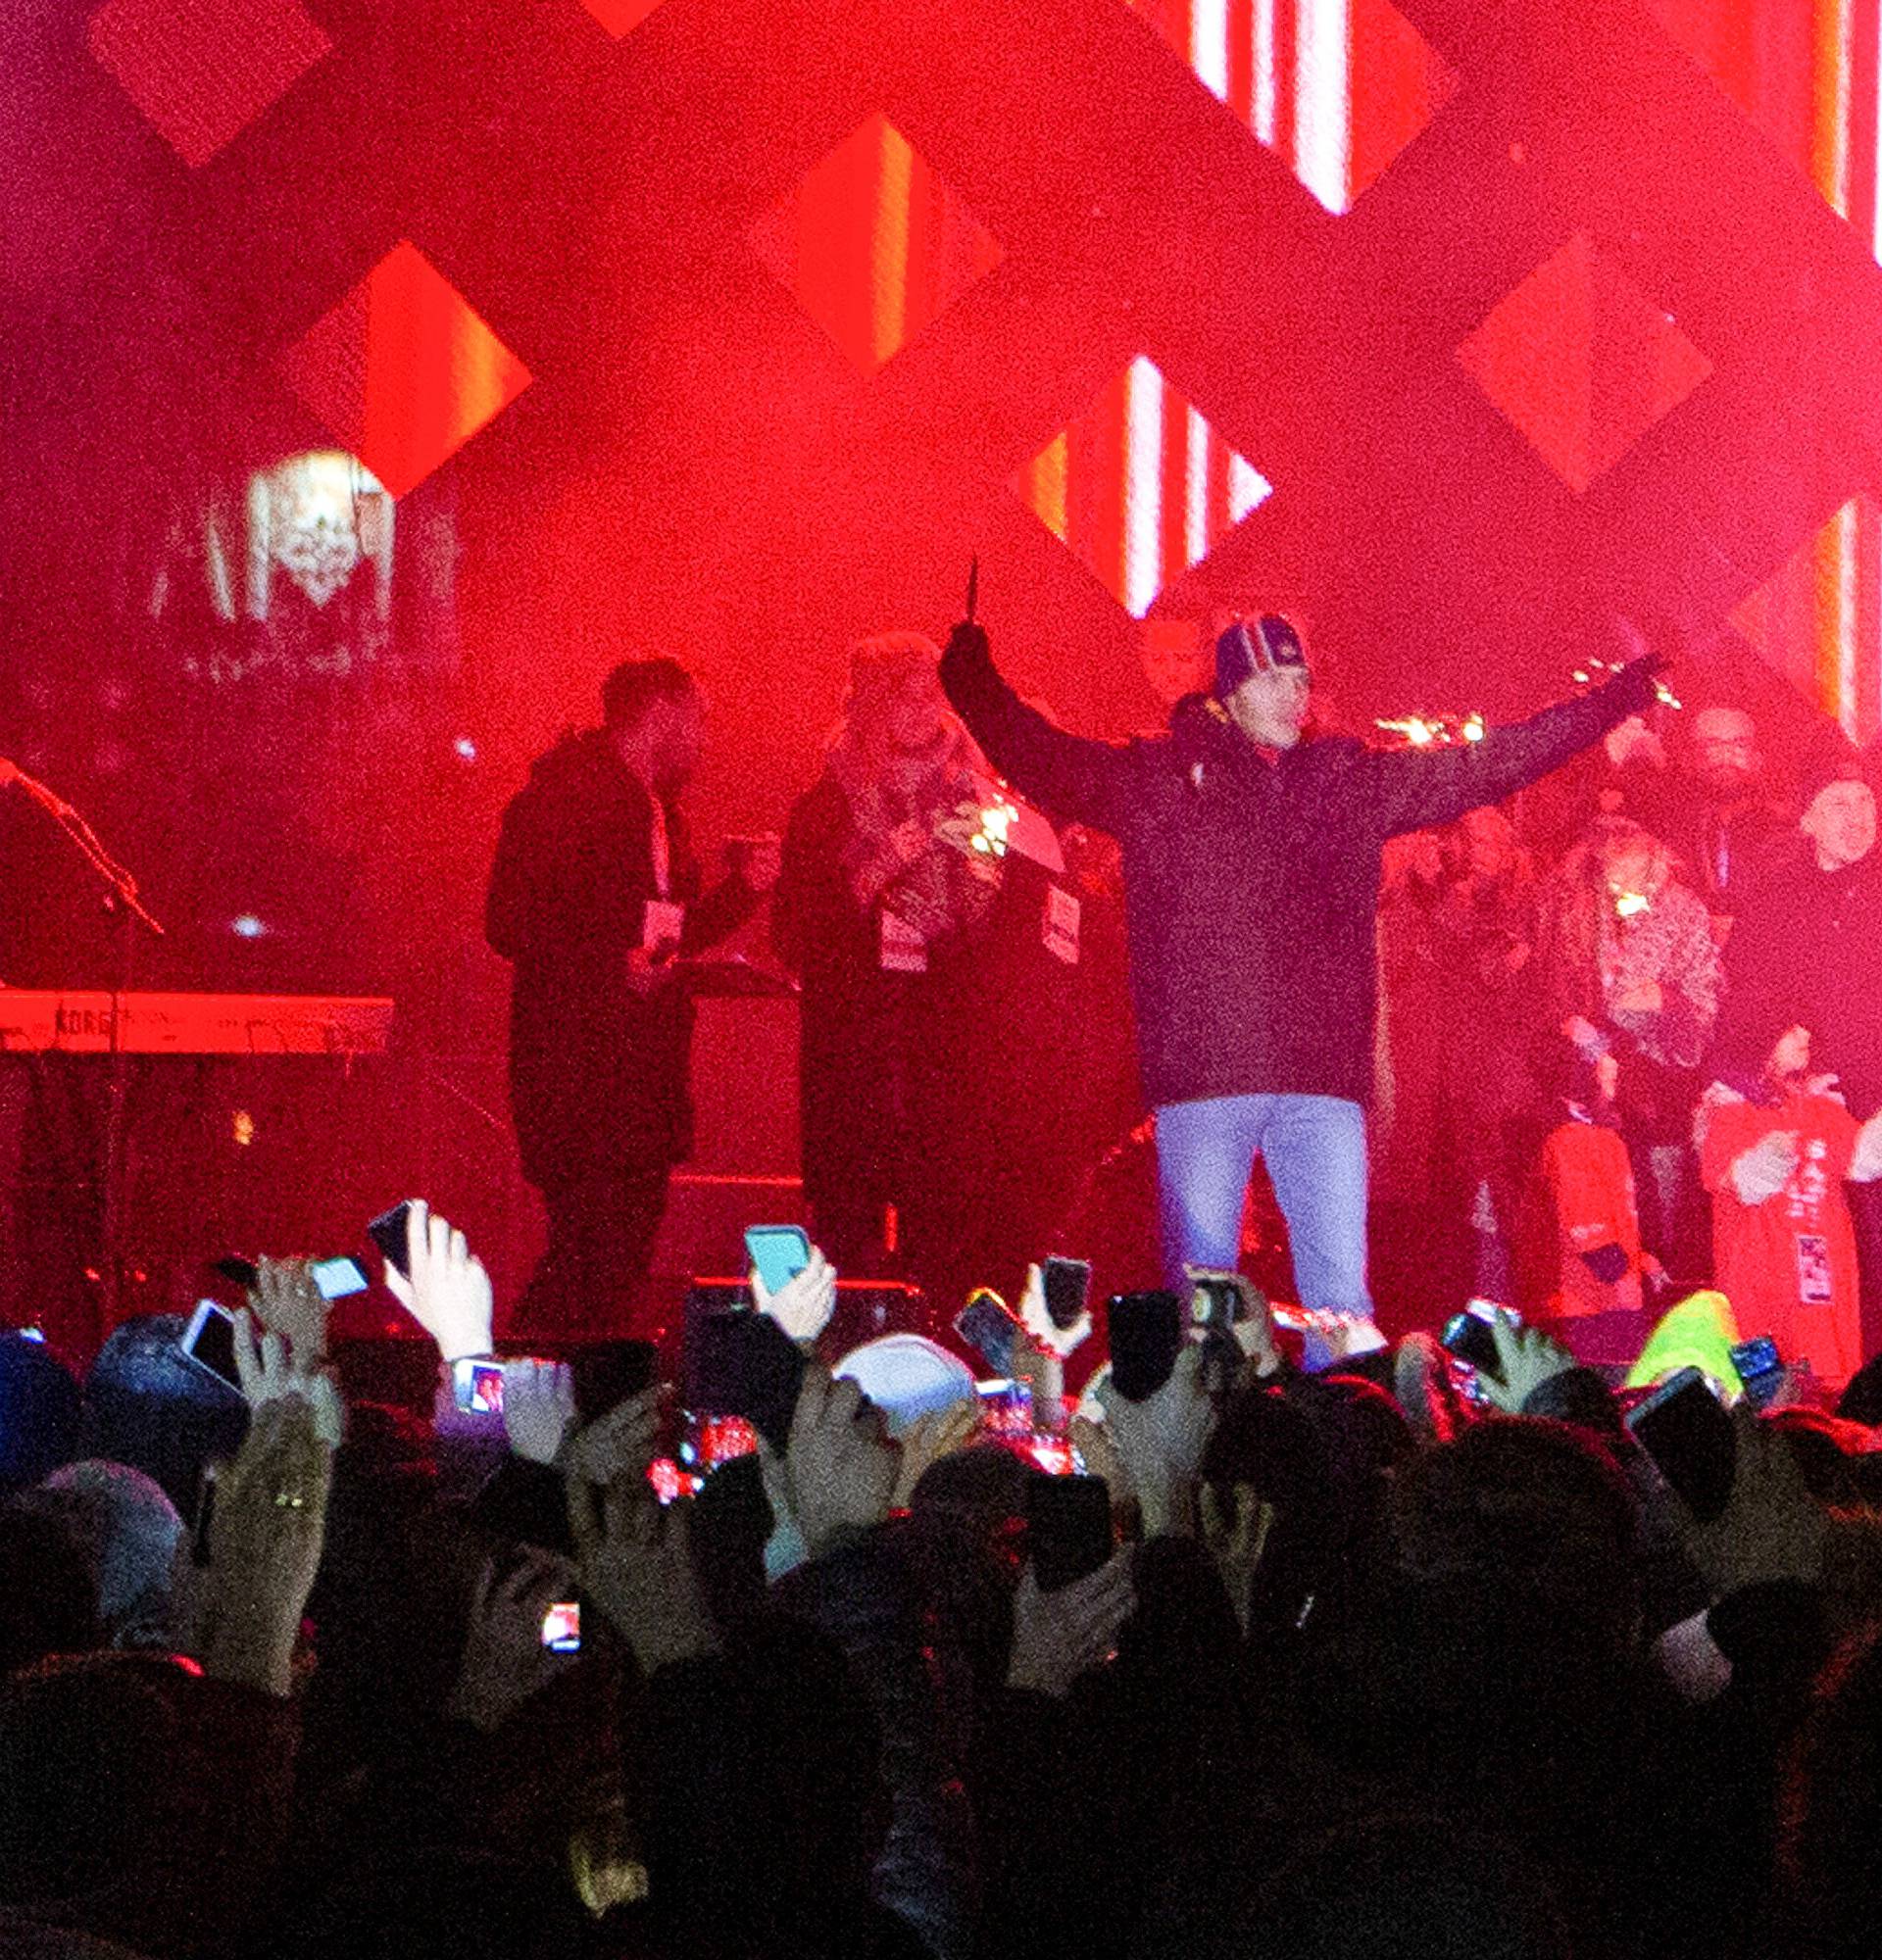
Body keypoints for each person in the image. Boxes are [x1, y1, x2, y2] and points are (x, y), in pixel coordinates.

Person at [939, 609, 1663, 1346]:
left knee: (1342, 1306)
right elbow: (1043, 757)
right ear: (1227, 692)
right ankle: (1208, 1444)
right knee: (1203, 1304)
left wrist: (1608, 702)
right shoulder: (1157, 779)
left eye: (1302, 678)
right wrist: (974, 685)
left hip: (1320, 1084)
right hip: (1205, 1079)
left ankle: (1343, 1433)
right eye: (1272, 678)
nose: (1294, 695)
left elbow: (1492, 762)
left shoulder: (1349, 783)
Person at [485, 659, 778, 1336]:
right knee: (588, 1255)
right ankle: (528, 1393)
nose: (705, 741)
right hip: (579, 1072)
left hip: (639, 1079)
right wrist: (605, 965)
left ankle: (569, 1401)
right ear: (662, 715)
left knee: (617, 1259)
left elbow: (668, 937)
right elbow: (508, 919)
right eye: (698, 721)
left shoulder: (660, 814)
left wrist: (745, 891)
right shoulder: (560, 799)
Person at [772, 634, 1005, 1276]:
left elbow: (999, 919)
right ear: (872, 709)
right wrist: (875, 871)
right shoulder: (828, 804)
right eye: (904, 699)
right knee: (849, 1236)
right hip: (857, 1057)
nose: (921, 712)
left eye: (932, 696)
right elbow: (794, 932)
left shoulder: (979, 795)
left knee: (949, 1233)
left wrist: (981, 871)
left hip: (945, 1053)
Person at [1536, 816, 1721, 1276]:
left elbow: (1707, 1001)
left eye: (1641, 878)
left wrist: (1667, 1001)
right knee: (1588, 1214)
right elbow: (1544, 990)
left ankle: (1656, 1278)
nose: (1627, 892)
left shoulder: (1682, 911)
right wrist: (1570, 1021)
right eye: (1615, 879)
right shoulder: (1572, 911)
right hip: (1580, 1088)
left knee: (1654, 1208)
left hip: (1656, 1088)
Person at [1699, 1024, 1882, 1388]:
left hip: (1819, 1291)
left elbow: (1863, 1158)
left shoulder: (1816, 1110)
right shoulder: (1729, 1115)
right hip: (1759, 1300)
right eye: (1790, 1030)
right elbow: (1744, 1182)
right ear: (1758, 1042)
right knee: (1766, 1406)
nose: (1805, 1038)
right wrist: (1776, 1150)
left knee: (1829, 1397)